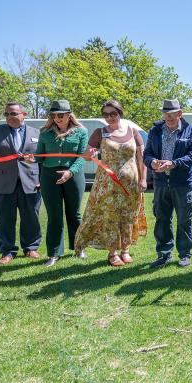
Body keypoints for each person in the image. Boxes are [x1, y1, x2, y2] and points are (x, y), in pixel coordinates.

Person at [75, 100, 148, 267]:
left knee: (128, 216)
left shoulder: (133, 131)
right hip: (107, 184)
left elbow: (141, 157)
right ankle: (112, 252)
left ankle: (125, 250)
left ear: (120, 113)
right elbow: (86, 156)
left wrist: (143, 178)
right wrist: (90, 152)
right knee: (110, 217)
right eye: (106, 114)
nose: (110, 117)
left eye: (113, 114)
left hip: (131, 184)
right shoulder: (99, 133)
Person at [0, 102, 42, 265]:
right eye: (7, 114)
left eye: (13, 114)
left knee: (31, 217)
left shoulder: (37, 132)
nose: (9, 117)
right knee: (4, 219)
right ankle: (7, 251)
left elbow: (42, 157)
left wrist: (41, 180)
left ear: (24, 114)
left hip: (31, 182)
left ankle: (31, 248)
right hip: (2, 182)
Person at [25, 100, 87, 267]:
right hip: (49, 175)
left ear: (69, 115)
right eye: (53, 115)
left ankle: (79, 247)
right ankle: (53, 253)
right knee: (54, 215)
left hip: (73, 175)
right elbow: (40, 156)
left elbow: (82, 157)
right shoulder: (45, 132)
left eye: (61, 115)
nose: (57, 118)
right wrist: (32, 159)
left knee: (74, 214)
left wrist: (70, 172)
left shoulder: (81, 132)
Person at [143, 99, 192, 268]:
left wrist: (174, 163)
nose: (168, 117)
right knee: (162, 219)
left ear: (179, 114)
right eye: (165, 114)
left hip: (182, 183)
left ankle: (185, 254)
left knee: (184, 219)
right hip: (160, 183)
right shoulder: (155, 131)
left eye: (171, 114)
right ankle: (163, 254)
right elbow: (146, 154)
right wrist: (152, 162)